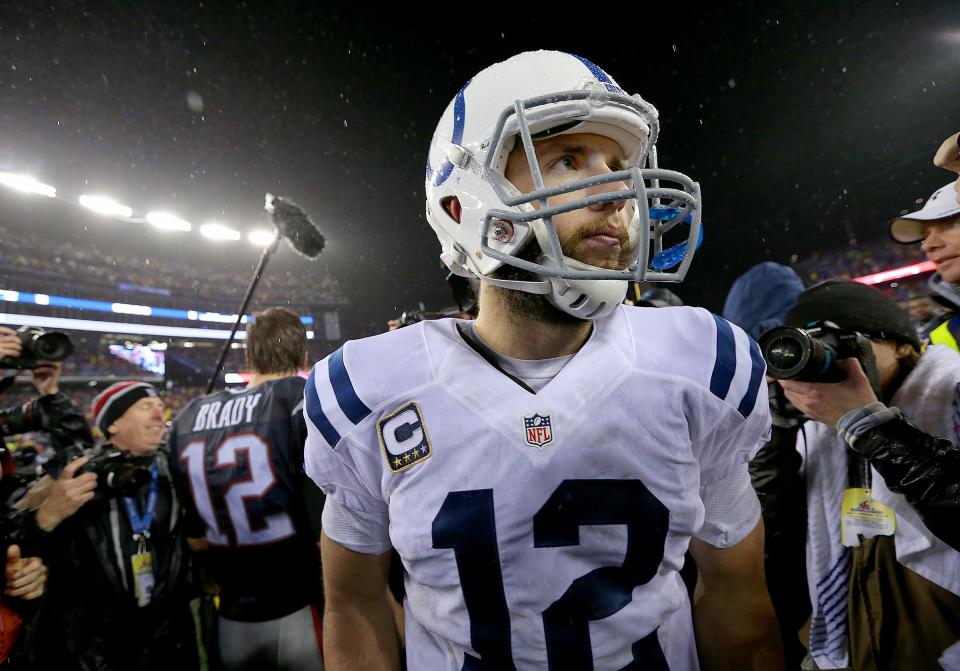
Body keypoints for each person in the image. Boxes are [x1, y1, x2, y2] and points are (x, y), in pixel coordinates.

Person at [305, 50, 782, 670]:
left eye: (619, 164)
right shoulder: (368, 390)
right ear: (462, 205)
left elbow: (737, 601)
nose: (617, 190)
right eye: (566, 159)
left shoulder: (702, 366)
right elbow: (355, 605)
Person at [775, 280, 960, 670]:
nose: (829, 362)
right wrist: (774, 434)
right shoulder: (811, 427)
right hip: (859, 633)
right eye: (811, 347)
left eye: (842, 343)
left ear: (903, 344)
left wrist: (870, 425)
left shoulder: (952, 389)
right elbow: (774, 535)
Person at [169, 307, 325, 670]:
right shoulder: (300, 400)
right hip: (300, 608)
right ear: (304, 357)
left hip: (231, 617)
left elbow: (195, 538)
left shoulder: (190, 415)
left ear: (249, 357)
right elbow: (327, 528)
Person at [24, 379, 199, 670]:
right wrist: (47, 504)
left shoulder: (173, 468)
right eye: (146, 407)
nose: (160, 414)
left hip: (167, 639)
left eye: (160, 406)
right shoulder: (77, 474)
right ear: (113, 423)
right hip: (95, 646)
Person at [889, 131, 960, 350]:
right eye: (926, 234)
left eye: (950, 225)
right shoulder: (940, 339)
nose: (928, 245)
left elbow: (945, 156)